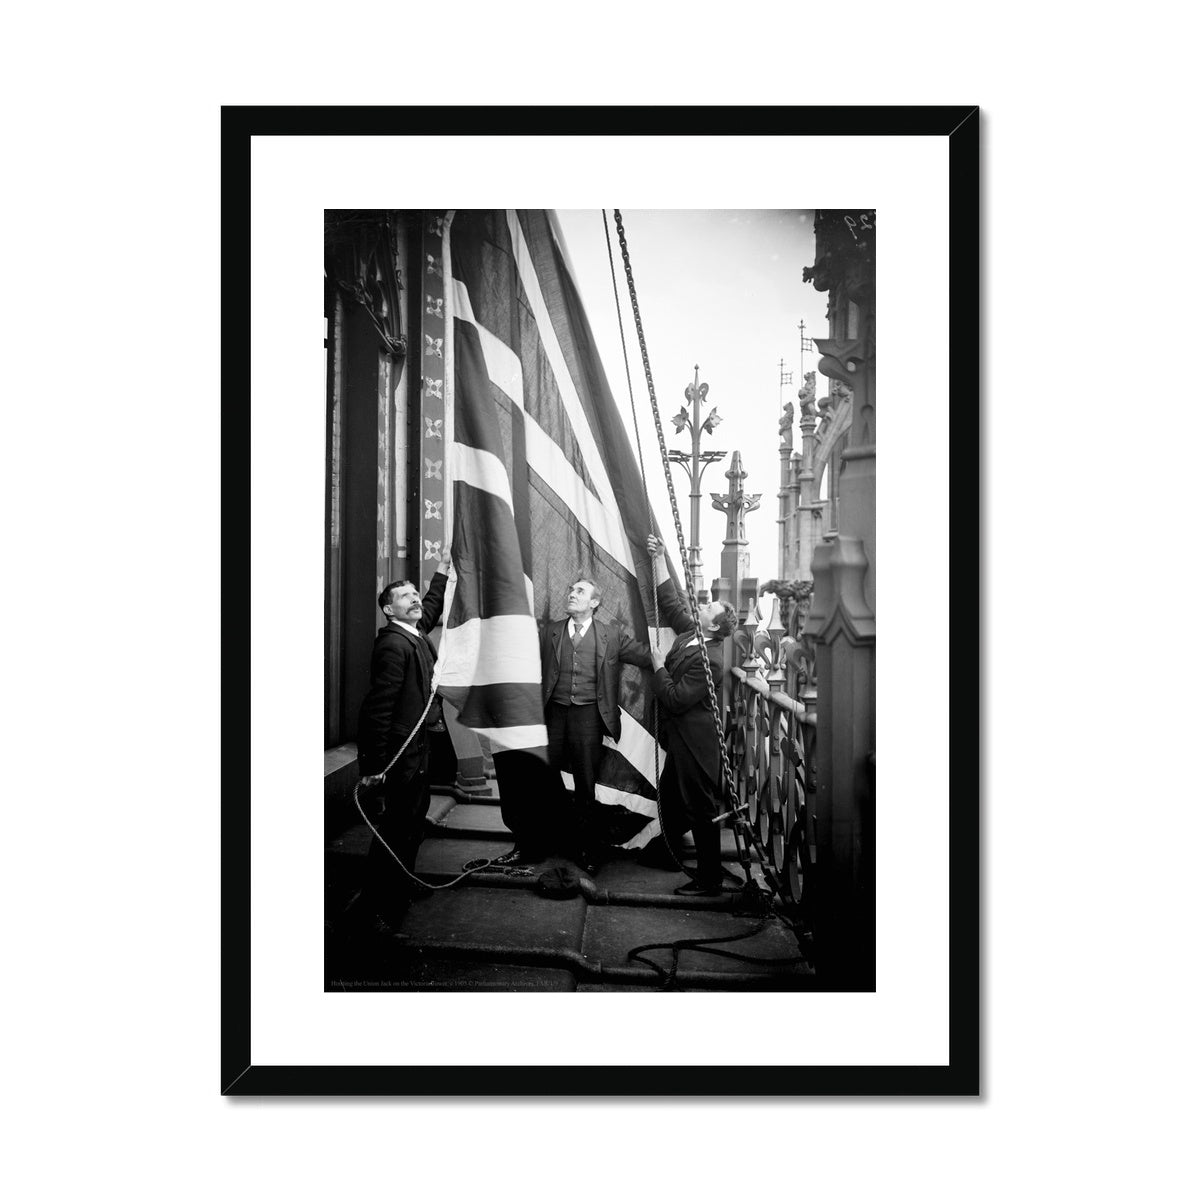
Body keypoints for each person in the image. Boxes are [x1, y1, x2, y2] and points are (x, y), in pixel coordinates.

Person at [496, 576, 651, 874]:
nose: (572, 594)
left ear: (594, 603)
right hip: (552, 715)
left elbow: (647, 657)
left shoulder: (611, 636)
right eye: (571, 589)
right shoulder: (551, 631)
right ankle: (530, 847)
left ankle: (585, 850)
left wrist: (680, 648)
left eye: (580, 591)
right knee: (539, 780)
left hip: (589, 718)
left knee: (585, 786)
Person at [355, 548, 452, 927]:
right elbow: (377, 709)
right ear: (389, 611)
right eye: (404, 596)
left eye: (414, 592)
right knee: (397, 825)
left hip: (418, 749)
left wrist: (441, 570)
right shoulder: (394, 644)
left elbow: (429, 607)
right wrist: (374, 766)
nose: (414, 598)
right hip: (399, 755)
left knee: (412, 822)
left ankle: (401, 883)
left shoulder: (413, 630)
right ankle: (377, 902)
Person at [644, 534, 737, 895]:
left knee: (700, 810)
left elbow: (677, 698)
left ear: (714, 627)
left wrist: (657, 667)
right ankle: (669, 852)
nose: (699, 609)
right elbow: (671, 602)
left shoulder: (710, 659)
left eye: (706, 611)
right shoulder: (691, 634)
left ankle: (710, 878)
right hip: (680, 740)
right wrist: (659, 559)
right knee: (669, 796)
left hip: (697, 746)